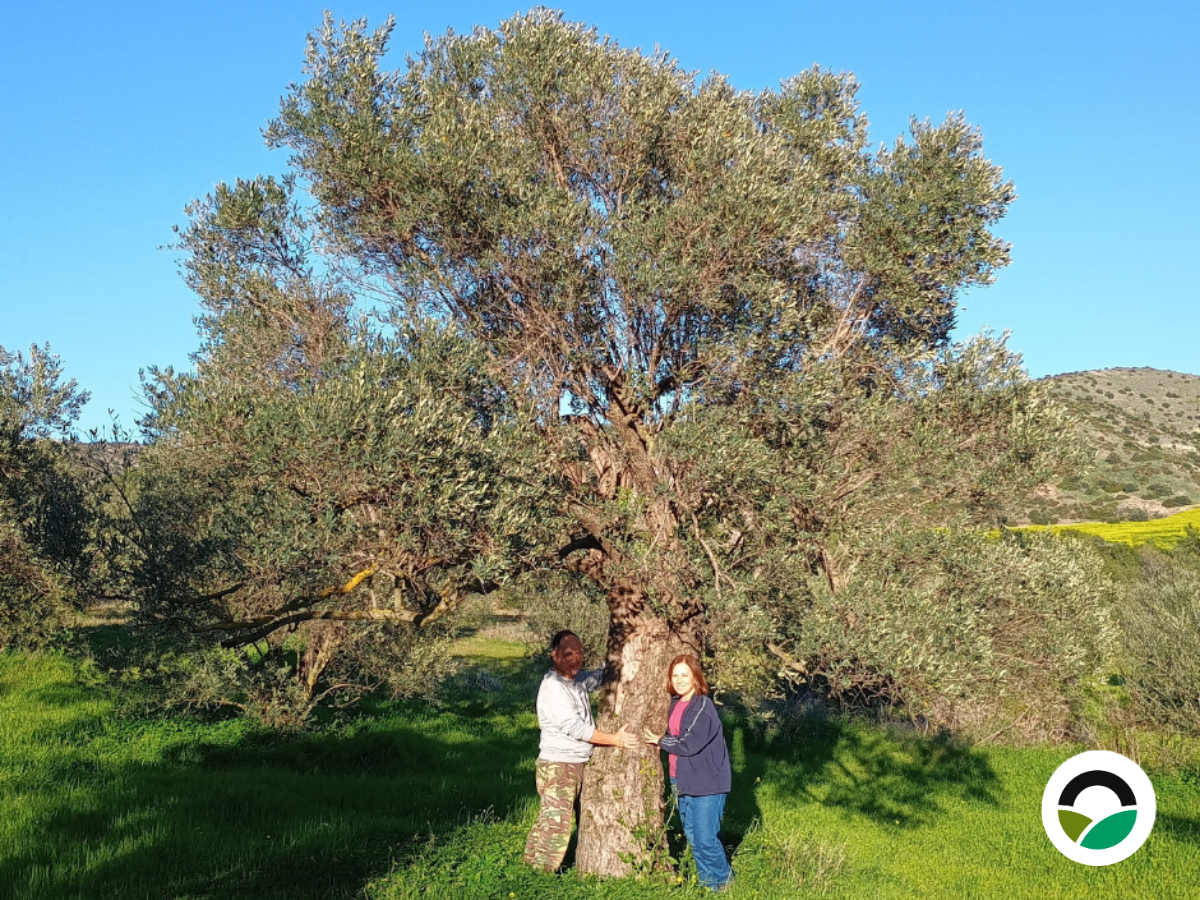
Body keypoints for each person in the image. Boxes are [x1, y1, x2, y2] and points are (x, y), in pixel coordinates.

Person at [524, 630, 638, 872]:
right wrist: (615, 740)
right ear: (554, 656)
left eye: (579, 653)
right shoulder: (553, 687)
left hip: (574, 762)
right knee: (556, 824)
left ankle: (532, 866)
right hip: (559, 765)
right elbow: (575, 728)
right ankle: (537, 875)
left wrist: (617, 652)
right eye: (568, 654)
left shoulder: (575, 681)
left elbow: (597, 678)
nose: (575, 659)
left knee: (553, 818)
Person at [644, 654, 732, 891]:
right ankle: (707, 883)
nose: (680, 680)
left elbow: (689, 743)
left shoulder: (703, 705)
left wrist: (660, 741)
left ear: (696, 677)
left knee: (705, 839)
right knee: (693, 837)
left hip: (707, 782)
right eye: (675, 675)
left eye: (685, 675)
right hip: (681, 778)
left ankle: (724, 883)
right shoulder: (675, 701)